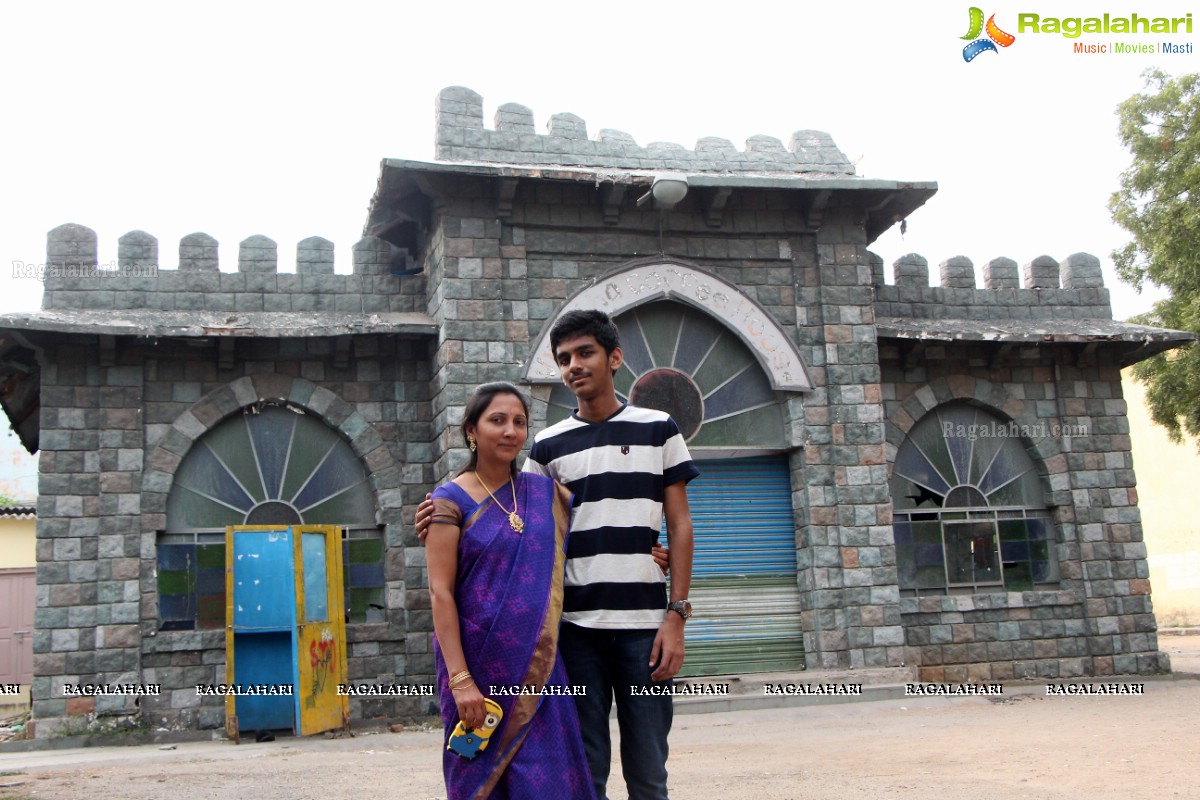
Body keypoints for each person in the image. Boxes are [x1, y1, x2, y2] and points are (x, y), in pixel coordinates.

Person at [419, 310, 697, 800]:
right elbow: (514, 514)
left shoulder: (659, 428)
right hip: (571, 636)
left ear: (614, 358)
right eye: (564, 358)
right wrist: (440, 516)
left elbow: (679, 524)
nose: (574, 366)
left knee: (649, 772)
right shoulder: (546, 446)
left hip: (645, 630)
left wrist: (676, 611)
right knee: (582, 772)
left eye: (585, 353)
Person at [425, 381, 596, 800]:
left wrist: (652, 552)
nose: (510, 431)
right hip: (477, 670)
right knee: (481, 778)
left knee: (550, 779)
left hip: (539, 668)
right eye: (497, 420)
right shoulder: (447, 502)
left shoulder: (544, 495)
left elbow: (583, 546)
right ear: (471, 430)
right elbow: (439, 593)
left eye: (519, 422)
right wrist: (461, 680)